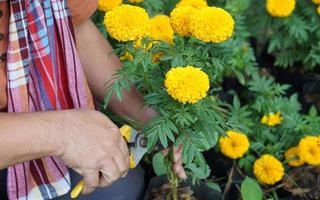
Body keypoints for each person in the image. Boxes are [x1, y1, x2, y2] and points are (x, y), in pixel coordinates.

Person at [0, 0, 186, 199]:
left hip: (40, 111)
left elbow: (72, 27)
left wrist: (145, 115)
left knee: (122, 189)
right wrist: (63, 133)